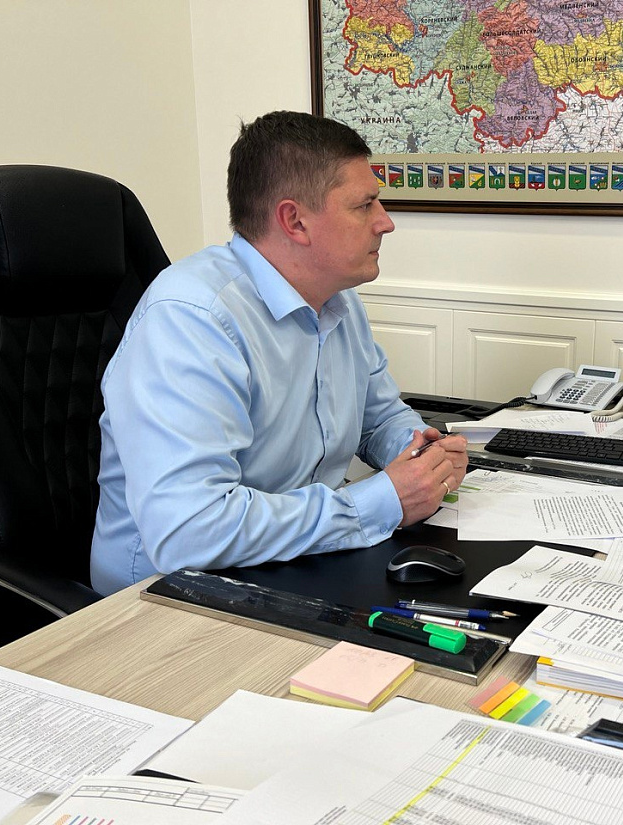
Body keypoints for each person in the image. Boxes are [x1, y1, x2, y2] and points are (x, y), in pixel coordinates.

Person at [91, 111, 468, 595]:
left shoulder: (337, 299)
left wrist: (422, 456)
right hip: (161, 597)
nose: (385, 222)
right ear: (295, 221)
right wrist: (380, 501)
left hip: (289, 562)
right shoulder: (192, 318)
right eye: (364, 205)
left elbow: (377, 418)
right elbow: (189, 532)